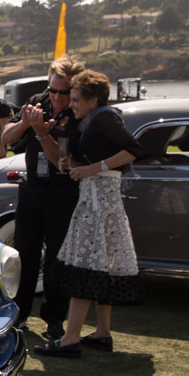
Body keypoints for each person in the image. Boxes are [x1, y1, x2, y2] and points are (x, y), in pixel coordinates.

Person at [34, 70, 145, 358]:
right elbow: (86, 160)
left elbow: (134, 149)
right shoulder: (89, 120)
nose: (70, 104)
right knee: (100, 263)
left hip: (99, 199)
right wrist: (72, 161)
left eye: (75, 99)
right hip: (97, 197)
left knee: (84, 264)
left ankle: (70, 339)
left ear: (93, 100)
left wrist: (92, 169)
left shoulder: (104, 117)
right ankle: (102, 333)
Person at [0, 56, 85, 338]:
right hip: (33, 189)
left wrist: (40, 134)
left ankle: (53, 320)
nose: (57, 98)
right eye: (53, 90)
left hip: (63, 190)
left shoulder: (78, 111)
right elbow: (7, 136)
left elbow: (61, 159)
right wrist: (26, 124)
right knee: (25, 253)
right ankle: (19, 314)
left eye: (64, 92)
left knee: (58, 258)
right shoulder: (38, 102)